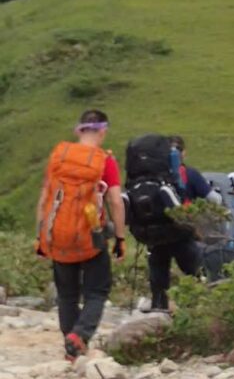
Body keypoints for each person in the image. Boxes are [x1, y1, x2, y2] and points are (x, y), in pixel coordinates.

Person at [36, 110, 126, 361]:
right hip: (91, 236)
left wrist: (42, 237)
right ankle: (81, 335)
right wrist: (120, 237)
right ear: (102, 131)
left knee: (66, 294)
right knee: (97, 291)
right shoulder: (104, 161)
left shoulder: (59, 155)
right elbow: (116, 201)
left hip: (58, 236)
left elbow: (45, 198)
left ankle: (71, 344)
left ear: (79, 130)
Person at [144, 136, 220, 312]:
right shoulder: (190, 174)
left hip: (155, 233)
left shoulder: (152, 177)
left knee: (158, 274)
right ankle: (195, 308)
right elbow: (214, 200)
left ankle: (158, 308)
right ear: (183, 153)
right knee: (193, 273)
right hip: (182, 231)